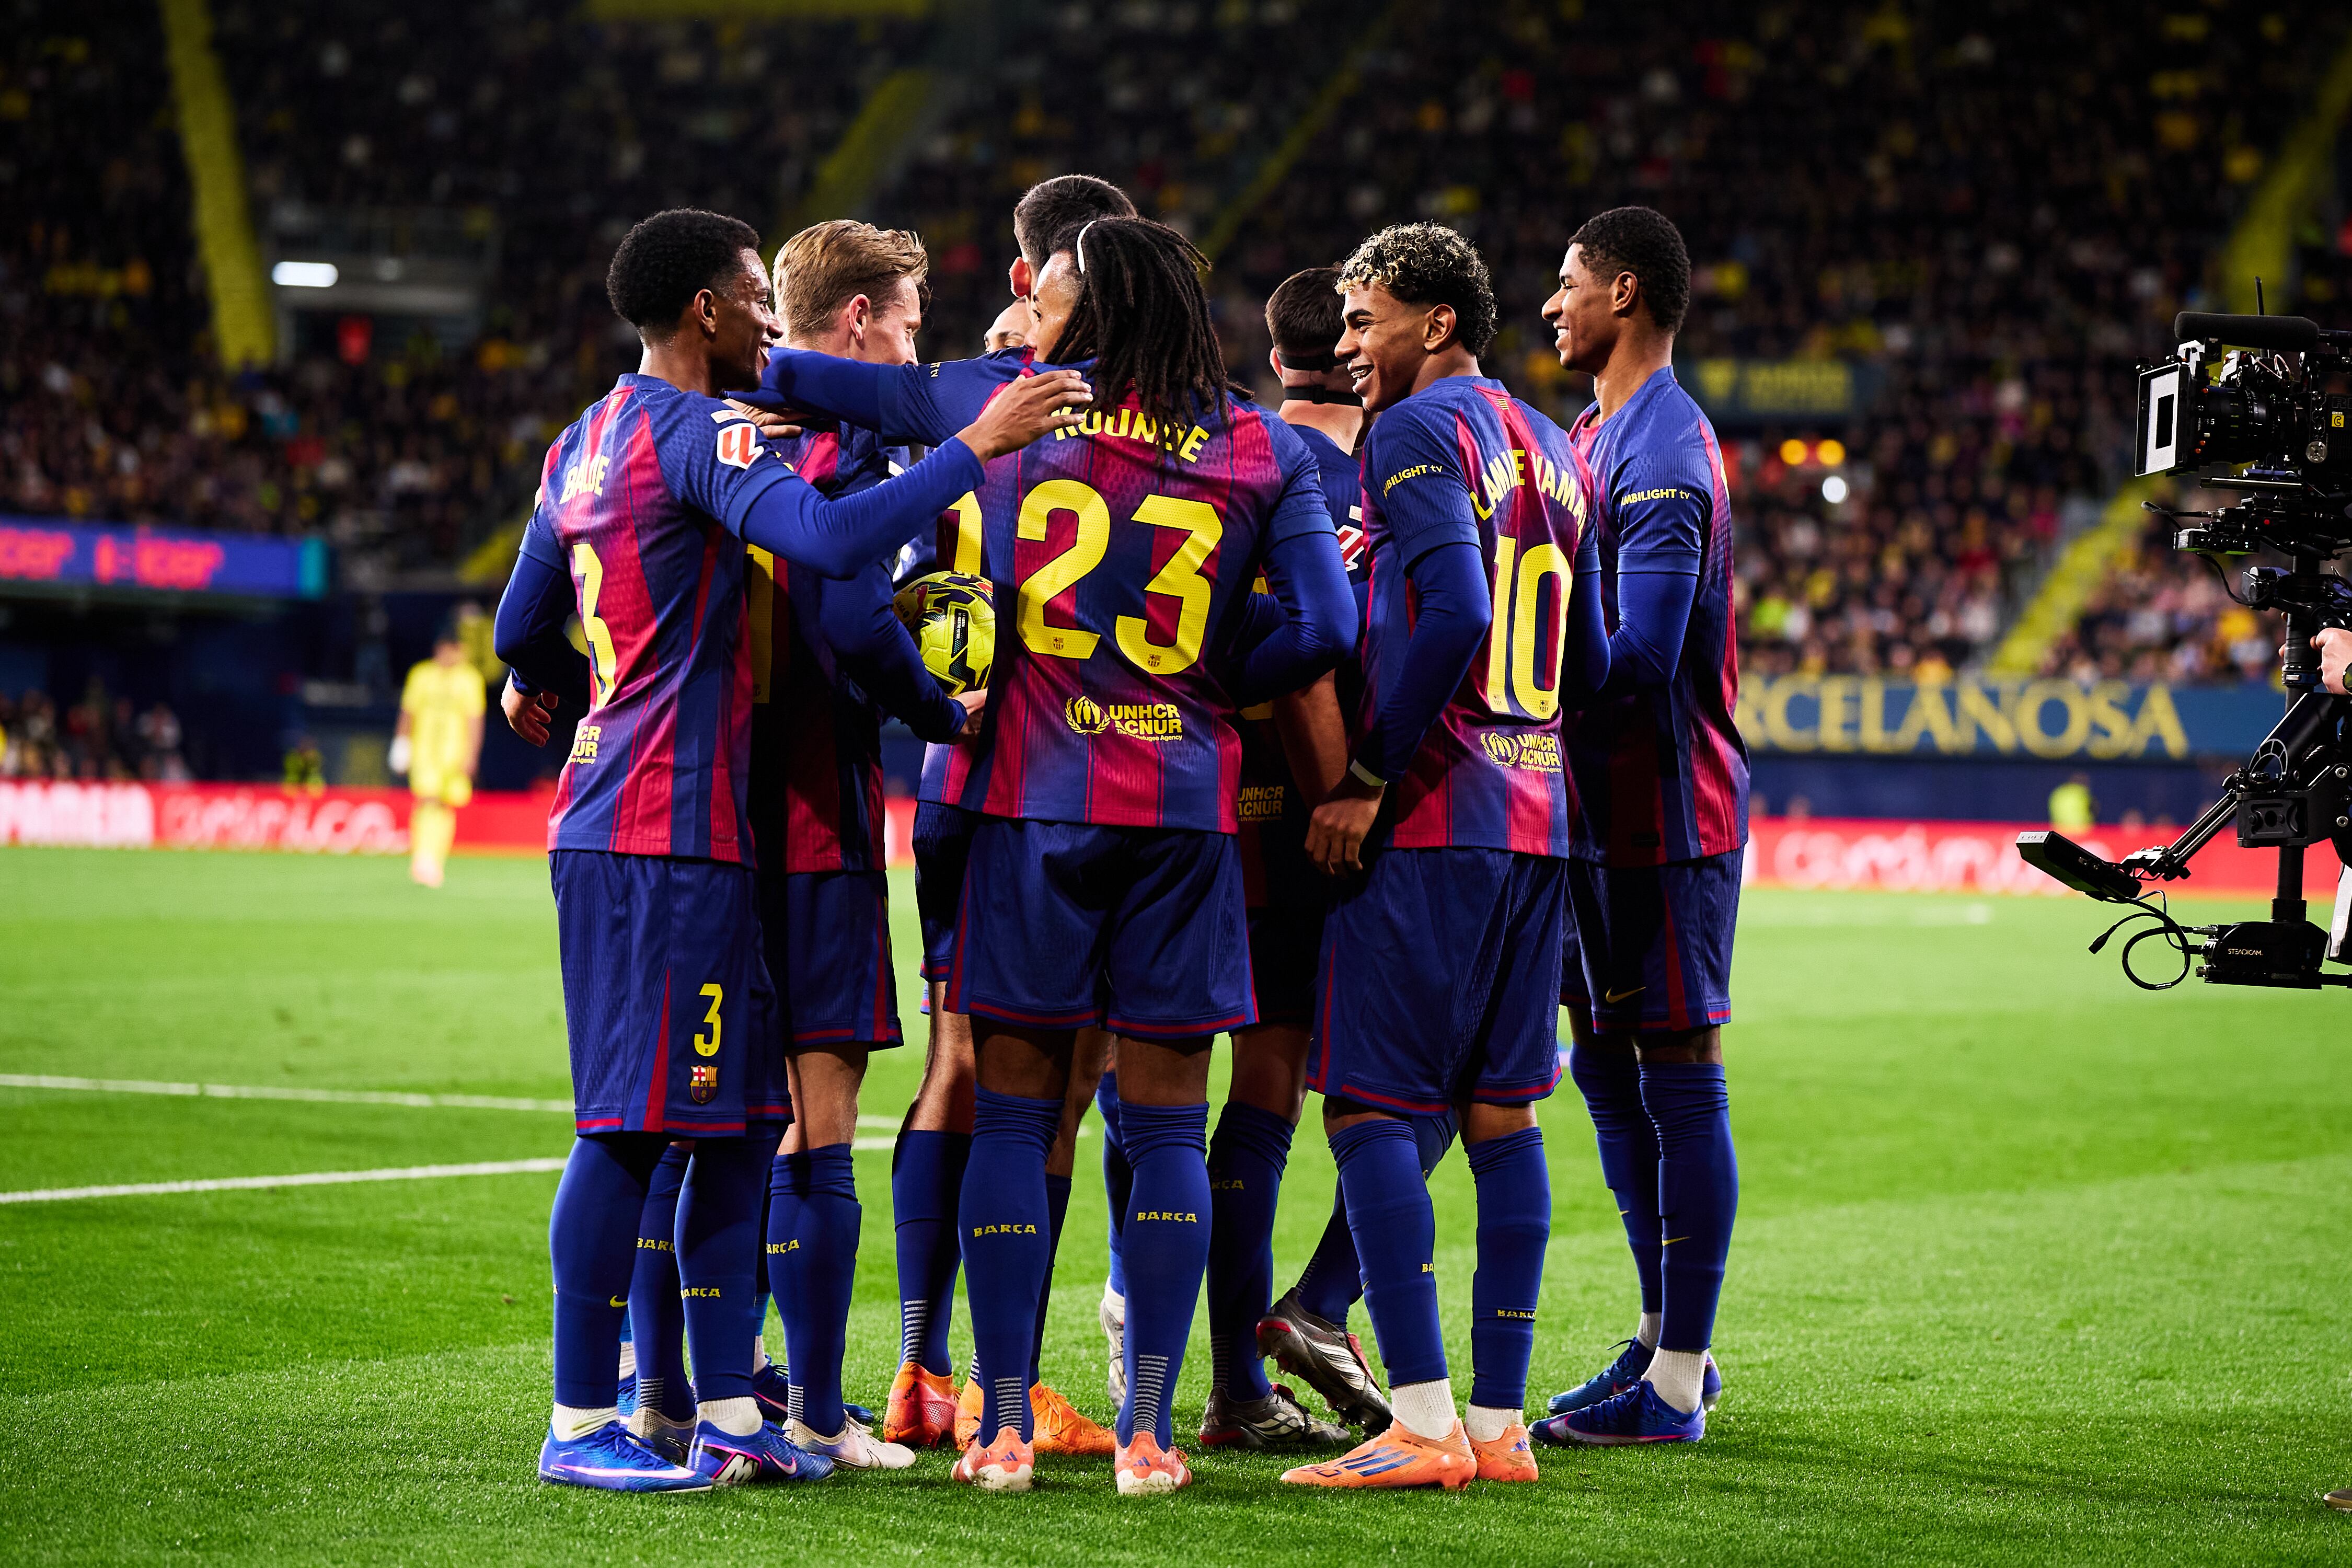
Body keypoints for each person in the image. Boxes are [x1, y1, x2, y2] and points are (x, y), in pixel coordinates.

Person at [756, 215, 1354, 1495]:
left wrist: (745, 345)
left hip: (1027, 796)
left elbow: (806, 378)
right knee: (1165, 1123)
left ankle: (1003, 1423)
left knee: (1013, 1113)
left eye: (1060, 296)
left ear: (1089, 309)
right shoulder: (1259, 446)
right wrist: (1199, 686)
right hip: (1184, 808)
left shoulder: (1008, 400)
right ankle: (1147, 1435)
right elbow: (1324, 620)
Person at [491, 205, 1083, 1494]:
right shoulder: (704, 430)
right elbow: (821, 550)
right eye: (752, 294)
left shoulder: (577, 439)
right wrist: (973, 447)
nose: (767, 316)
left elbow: (519, 618)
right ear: (706, 309)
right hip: (677, 815)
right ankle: (585, 1417)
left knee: (719, 1122)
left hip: (630, 809)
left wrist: (532, 681)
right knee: (633, 1131)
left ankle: (721, 1408)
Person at [1278, 222, 1607, 1493]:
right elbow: (1582, 644)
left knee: (1369, 1105)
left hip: (1431, 818)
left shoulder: (1420, 433)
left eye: (1365, 321)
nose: (1348, 345)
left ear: (1435, 322)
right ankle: (1497, 1422)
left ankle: (1415, 1424)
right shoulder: (1546, 446)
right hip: (1537, 816)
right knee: (1500, 1115)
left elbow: (1462, 608)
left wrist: (1363, 778)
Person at [878, 175, 1139, 1464]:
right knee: (1049, 1086)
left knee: (957, 1066)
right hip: (1052, 776)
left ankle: (925, 1367)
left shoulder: (965, 385)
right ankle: (1000, 1382)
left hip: (957, 764)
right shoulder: (1085, 397)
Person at [752, 219, 978, 1472]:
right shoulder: (855, 447)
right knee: (819, 1113)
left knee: (706, 1119)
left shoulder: (712, 421)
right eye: (902, 323)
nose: (912, 348)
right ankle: (819, 1412)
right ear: (851, 323)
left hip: (702, 817)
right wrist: (940, 707)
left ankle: (691, 1387)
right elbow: (847, 605)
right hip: (810, 808)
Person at [1533, 204, 1747, 1447]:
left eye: (1565, 284)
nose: (1551, 304)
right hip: (1601, 815)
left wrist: (1526, 587)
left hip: (1665, 815)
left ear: (1620, 292)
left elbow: (1640, 659)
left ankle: (1673, 1381)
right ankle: (1673, 1336)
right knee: (1610, 1073)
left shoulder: (1660, 448)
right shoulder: (1596, 430)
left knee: (1674, 1074)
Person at [391, 630, 484, 887]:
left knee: (445, 806)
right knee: (427, 800)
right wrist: (401, 745)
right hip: (425, 752)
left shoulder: (469, 679)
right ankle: (423, 858)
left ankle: (435, 859)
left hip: (454, 754)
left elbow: (475, 720)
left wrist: (471, 755)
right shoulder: (422, 675)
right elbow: (408, 713)